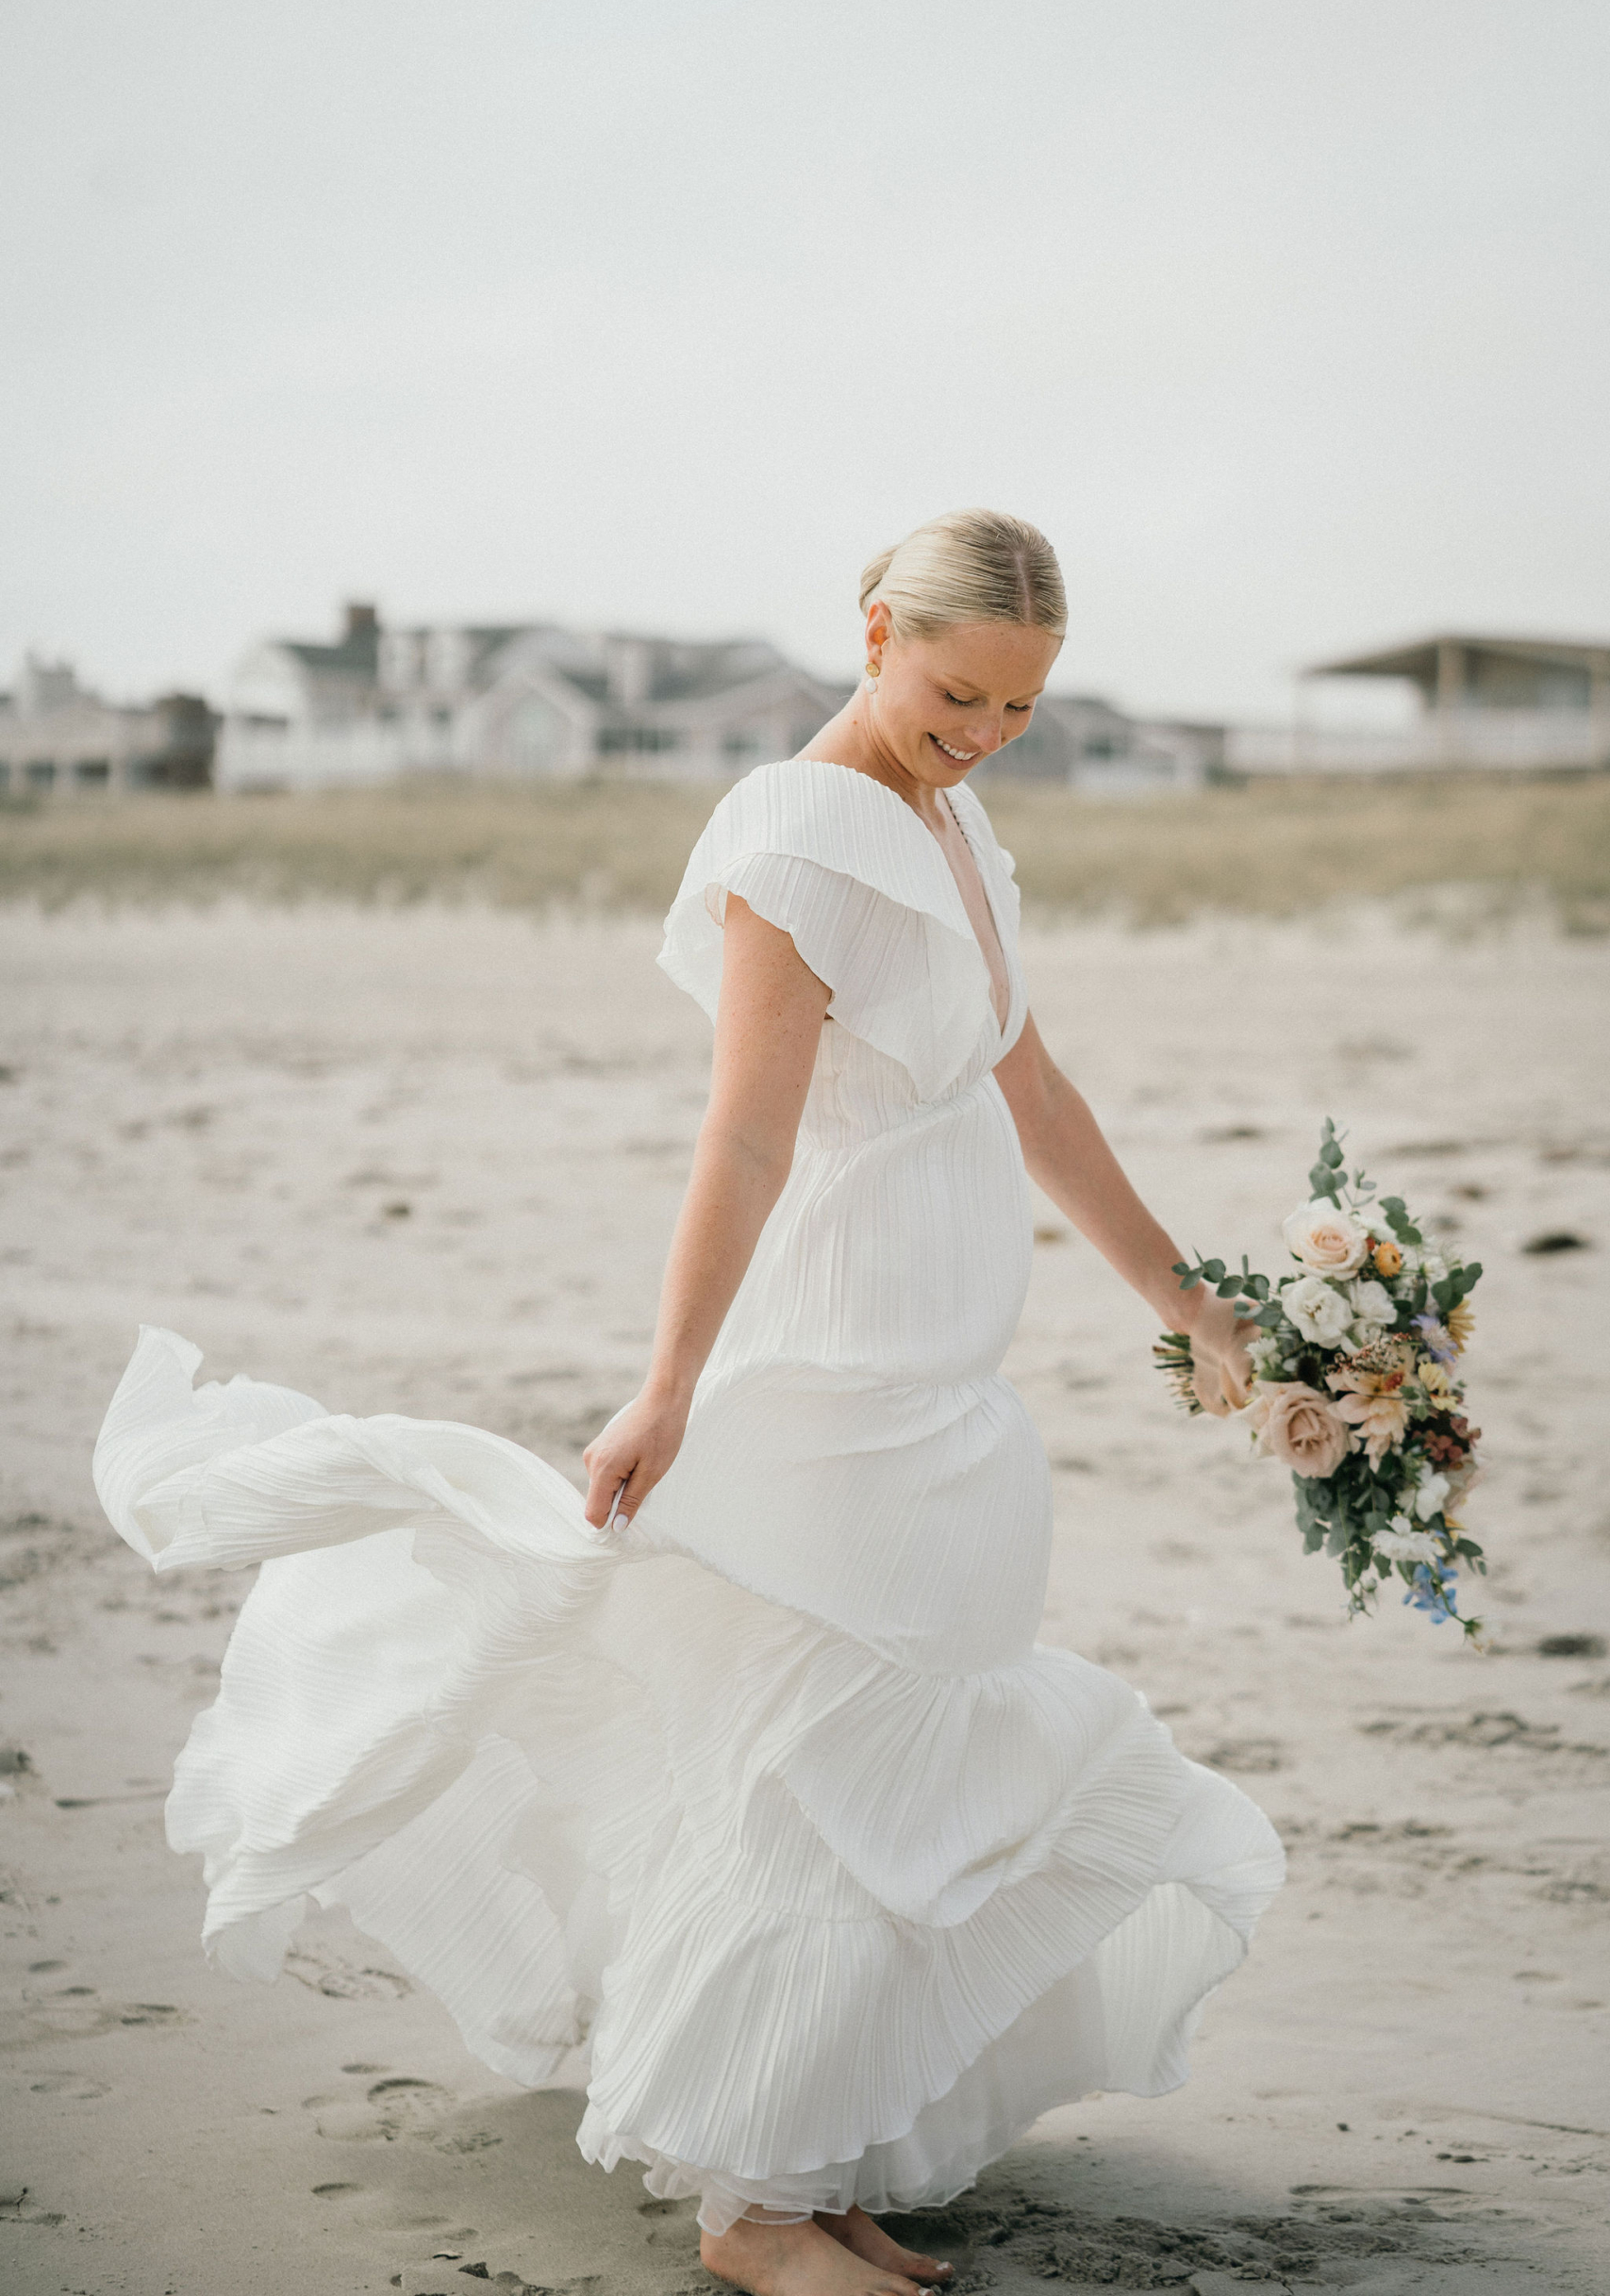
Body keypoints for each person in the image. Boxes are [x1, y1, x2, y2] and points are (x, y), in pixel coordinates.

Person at [95, 510, 1284, 2296]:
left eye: (1024, 707)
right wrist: (667, 1392)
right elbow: (740, 1131)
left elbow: (1030, 1086)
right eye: (961, 692)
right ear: (875, 629)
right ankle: (746, 2207)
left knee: (895, 1771)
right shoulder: (802, 835)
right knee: (813, 1776)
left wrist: (1189, 1300)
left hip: (949, 1389)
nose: (987, 731)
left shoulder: (954, 824)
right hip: (835, 1378)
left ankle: (812, 2162)